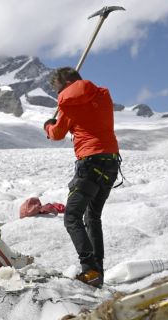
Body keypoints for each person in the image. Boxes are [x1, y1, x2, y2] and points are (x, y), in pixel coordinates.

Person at [44, 67, 120, 288]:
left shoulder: (70, 104)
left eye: (57, 88)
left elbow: (56, 135)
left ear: (66, 84)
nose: (57, 93)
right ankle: (98, 273)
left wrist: (48, 125)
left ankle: (90, 270)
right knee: (92, 217)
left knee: (72, 217)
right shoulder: (103, 95)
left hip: (90, 164)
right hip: (111, 163)